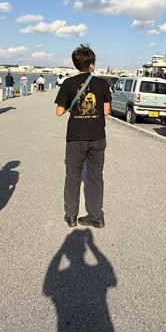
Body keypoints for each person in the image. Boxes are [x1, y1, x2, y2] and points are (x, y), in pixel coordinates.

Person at [55, 44, 112, 229]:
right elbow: (106, 111)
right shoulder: (102, 84)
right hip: (97, 136)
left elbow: (59, 111)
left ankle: (71, 216)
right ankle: (96, 216)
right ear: (92, 65)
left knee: (72, 176)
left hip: (76, 136)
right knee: (95, 177)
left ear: (75, 64)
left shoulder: (68, 83)